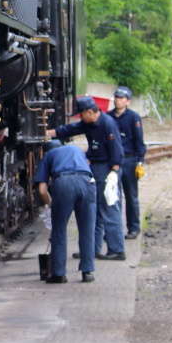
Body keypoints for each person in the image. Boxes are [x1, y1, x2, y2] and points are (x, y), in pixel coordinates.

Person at [47, 95, 126, 260]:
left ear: (90, 112)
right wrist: (50, 133)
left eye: (81, 114)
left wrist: (114, 172)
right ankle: (91, 250)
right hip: (96, 167)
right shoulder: (88, 123)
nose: (80, 118)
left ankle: (117, 250)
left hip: (107, 169)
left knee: (109, 208)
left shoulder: (108, 124)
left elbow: (117, 150)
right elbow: (71, 129)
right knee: (94, 210)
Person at [34, 139, 97, 283]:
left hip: (64, 183)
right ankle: (87, 272)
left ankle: (59, 273)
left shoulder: (49, 155)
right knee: (87, 229)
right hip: (88, 182)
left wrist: (51, 206)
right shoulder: (76, 150)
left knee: (59, 229)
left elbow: (42, 190)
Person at [108, 86, 147, 239]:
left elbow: (139, 140)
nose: (118, 100)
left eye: (122, 98)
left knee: (131, 196)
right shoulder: (108, 117)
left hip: (130, 160)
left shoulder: (133, 117)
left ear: (128, 101)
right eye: (117, 97)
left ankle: (134, 228)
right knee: (112, 196)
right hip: (113, 161)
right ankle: (113, 231)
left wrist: (140, 161)